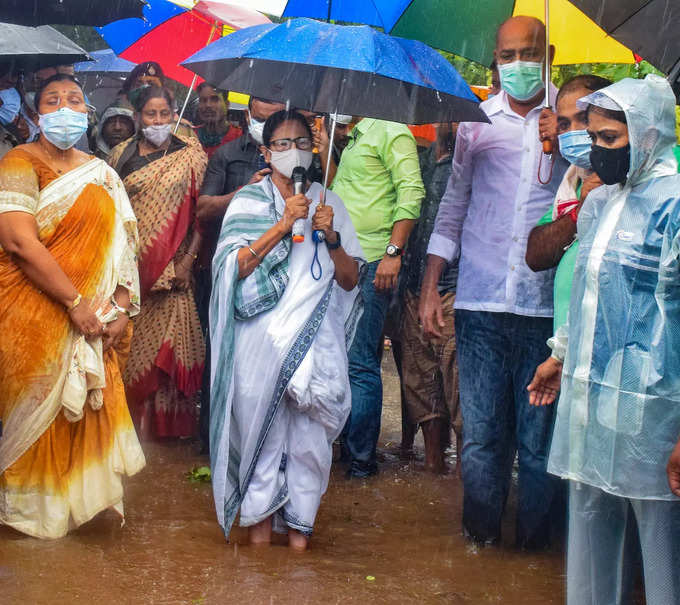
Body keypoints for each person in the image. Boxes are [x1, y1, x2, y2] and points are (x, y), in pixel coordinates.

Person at [527, 74, 680, 604]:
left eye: (609, 139)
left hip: (657, 409)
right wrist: (560, 355)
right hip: (592, 396)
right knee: (589, 524)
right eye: (593, 138)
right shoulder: (601, 202)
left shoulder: (674, 205)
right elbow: (590, 296)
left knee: (661, 541)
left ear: (649, 133)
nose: (597, 150)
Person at [419, 16, 568, 548]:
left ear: (548, 53)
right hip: (480, 301)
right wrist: (430, 283)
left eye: (528, 54)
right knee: (481, 439)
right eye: (507, 56)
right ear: (495, 61)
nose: (518, 65)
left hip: (545, 308)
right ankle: (478, 547)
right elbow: (454, 202)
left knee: (538, 443)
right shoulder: (474, 119)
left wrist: (567, 142)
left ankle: (532, 554)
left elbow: (598, 188)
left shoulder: (574, 116)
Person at [209, 110, 363, 550]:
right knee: (262, 445)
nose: (292, 151)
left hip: (318, 343)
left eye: (301, 142)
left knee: (309, 450)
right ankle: (259, 560)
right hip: (260, 345)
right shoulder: (249, 202)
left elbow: (350, 279)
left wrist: (330, 237)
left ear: (314, 149)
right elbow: (230, 270)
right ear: (266, 151)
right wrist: (282, 225)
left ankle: (298, 556)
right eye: (282, 144)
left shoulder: (330, 202)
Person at [0, 74, 145, 538]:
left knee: (84, 409)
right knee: (34, 409)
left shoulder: (102, 172)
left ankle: (78, 508)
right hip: (32, 316)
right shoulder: (19, 162)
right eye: (53, 100)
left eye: (74, 100)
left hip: (94, 321)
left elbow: (123, 247)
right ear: (37, 113)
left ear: (88, 113)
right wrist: (74, 302)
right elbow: (18, 241)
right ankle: (30, 519)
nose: (65, 108)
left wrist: (119, 309)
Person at [109, 86, 208, 440]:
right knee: (131, 348)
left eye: (165, 114)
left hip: (175, 271)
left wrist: (187, 261)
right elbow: (111, 212)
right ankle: (131, 430)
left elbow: (201, 214)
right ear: (137, 117)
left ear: (174, 114)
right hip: (130, 268)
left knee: (171, 348)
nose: (158, 121)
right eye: (151, 115)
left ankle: (170, 432)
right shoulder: (120, 155)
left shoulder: (190, 155)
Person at [331, 117, 425, 478]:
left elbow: (412, 191)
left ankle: (360, 462)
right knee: (340, 356)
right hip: (343, 259)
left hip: (373, 259)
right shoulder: (354, 136)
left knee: (359, 360)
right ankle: (344, 448)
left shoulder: (391, 129)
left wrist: (393, 252)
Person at [194, 95, 285, 451]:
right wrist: (244, 194)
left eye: (273, 119)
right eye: (259, 117)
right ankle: (213, 439)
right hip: (229, 269)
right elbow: (203, 208)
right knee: (220, 349)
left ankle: (263, 440)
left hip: (279, 274)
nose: (264, 124)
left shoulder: (299, 159)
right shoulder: (227, 154)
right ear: (248, 115)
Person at [525, 75, 611, 331]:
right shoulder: (574, 182)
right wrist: (580, 211)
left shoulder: (667, 167)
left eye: (583, 119)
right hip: (570, 350)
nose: (574, 131)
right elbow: (535, 255)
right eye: (563, 124)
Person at [399, 122, 461, 474]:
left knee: (461, 396)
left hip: (455, 288)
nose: (450, 123)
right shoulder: (418, 161)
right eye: (445, 116)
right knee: (423, 389)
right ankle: (434, 470)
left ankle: (466, 489)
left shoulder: (471, 165)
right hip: (412, 286)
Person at [195, 83, 241, 158]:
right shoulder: (190, 136)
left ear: (226, 104)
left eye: (214, 99)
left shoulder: (239, 137)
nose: (208, 105)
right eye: (203, 100)